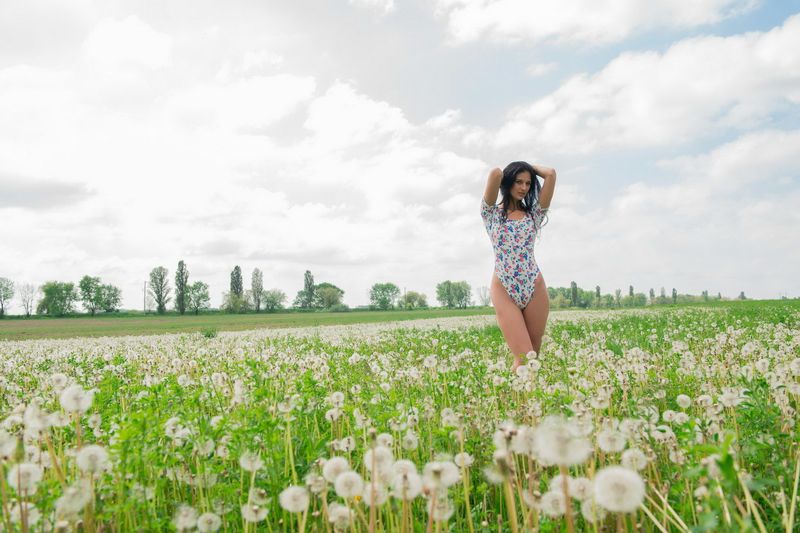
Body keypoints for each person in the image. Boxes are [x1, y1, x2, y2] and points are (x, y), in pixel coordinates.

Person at [481, 161, 556, 371]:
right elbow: (495, 173)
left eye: (528, 183)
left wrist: (528, 167)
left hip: (534, 286)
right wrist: (514, 168)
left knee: (533, 358)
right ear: (508, 182)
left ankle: (529, 403)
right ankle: (510, 402)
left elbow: (550, 174)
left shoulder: (534, 214)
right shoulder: (491, 214)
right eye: (518, 181)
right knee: (523, 359)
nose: (523, 187)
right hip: (504, 287)